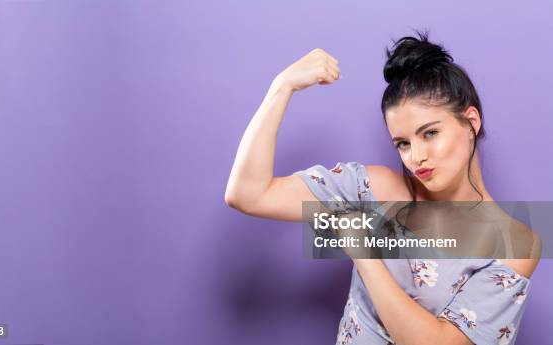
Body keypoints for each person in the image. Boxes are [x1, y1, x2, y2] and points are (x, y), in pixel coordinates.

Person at [224, 30, 541, 345]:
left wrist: (365, 256)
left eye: (429, 133)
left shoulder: (515, 244)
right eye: (403, 143)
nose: (416, 157)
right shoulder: (372, 191)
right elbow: (248, 194)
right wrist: (283, 86)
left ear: (471, 121)